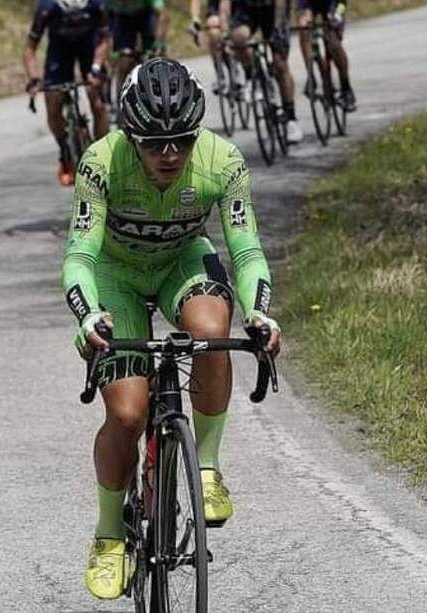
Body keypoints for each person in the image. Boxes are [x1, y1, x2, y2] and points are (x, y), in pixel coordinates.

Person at [62, 58, 282, 599]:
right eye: (154, 143)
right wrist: (88, 314)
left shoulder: (223, 160)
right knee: (129, 411)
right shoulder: (100, 161)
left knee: (212, 327)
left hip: (181, 261)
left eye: (181, 140)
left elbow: (246, 249)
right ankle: (110, 534)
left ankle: (205, 467)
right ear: (130, 136)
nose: (169, 155)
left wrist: (261, 311)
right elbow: (79, 257)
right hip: (115, 275)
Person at [24, 0, 112, 186]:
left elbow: (105, 39)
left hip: (90, 50)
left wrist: (96, 68)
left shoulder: (96, 4)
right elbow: (30, 48)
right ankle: (64, 151)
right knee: (53, 105)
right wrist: (33, 79)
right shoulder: (47, 7)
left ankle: (104, 154)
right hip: (59, 53)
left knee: (96, 100)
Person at [226, 0, 304, 143]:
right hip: (247, 8)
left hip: (274, 8)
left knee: (280, 64)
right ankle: (252, 77)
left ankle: (290, 118)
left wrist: (277, 30)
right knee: (238, 39)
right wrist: (225, 31)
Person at [297, 0, 356, 111]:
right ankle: (311, 76)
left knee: (332, 39)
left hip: (335, 3)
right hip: (309, 3)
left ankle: (346, 88)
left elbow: (341, 4)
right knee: (303, 29)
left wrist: (337, 16)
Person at [107, 0, 170, 93]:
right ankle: (124, 91)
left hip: (146, 14)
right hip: (122, 18)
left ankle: (165, 86)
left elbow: (163, 15)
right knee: (125, 61)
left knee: (156, 56)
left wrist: (159, 42)